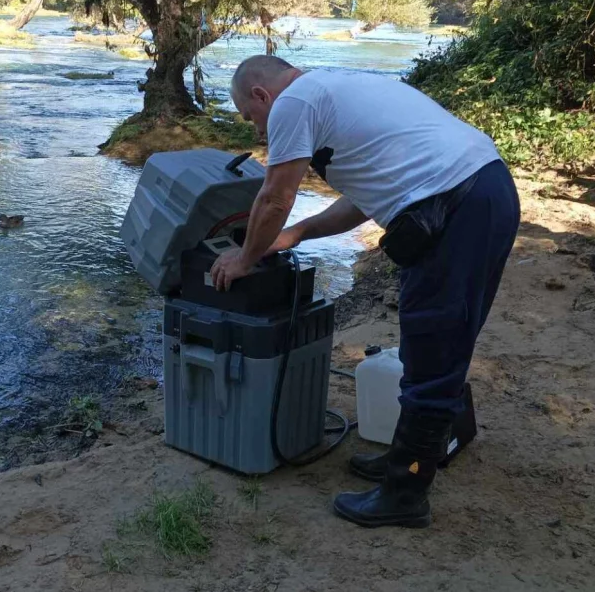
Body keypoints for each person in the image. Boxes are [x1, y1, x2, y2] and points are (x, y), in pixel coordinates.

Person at [209, 55, 520, 529]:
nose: (257, 132)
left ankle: (405, 494)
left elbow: (274, 195)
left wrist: (244, 258)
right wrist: (295, 235)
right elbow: (362, 200)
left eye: (252, 119)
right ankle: (411, 455)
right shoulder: (333, 87)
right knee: (434, 341)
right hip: (478, 190)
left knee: (434, 343)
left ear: (261, 95)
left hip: (460, 204)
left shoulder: (293, 102)